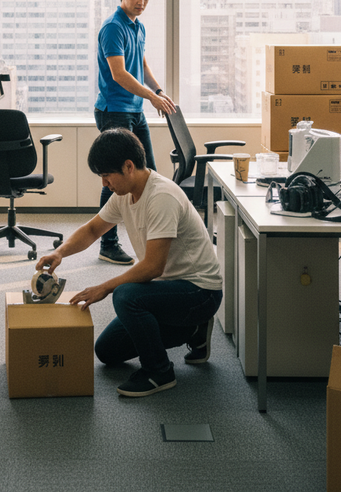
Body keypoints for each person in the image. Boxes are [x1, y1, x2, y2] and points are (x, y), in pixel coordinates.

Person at [36, 128, 223, 397]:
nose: (104, 183)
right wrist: (60, 253)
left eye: (106, 175)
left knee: (125, 295)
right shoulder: (123, 195)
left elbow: (152, 267)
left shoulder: (161, 197)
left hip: (199, 291)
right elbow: (91, 230)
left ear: (128, 166)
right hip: (167, 288)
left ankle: (160, 371)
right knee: (107, 352)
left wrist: (105, 287)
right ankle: (193, 328)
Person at [94, 0, 176, 266]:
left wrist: (158, 90)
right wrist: (150, 97)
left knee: (148, 172)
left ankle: (156, 234)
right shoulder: (113, 27)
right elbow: (119, 74)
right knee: (115, 177)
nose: (141, 2)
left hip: (133, 110)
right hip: (114, 110)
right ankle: (108, 242)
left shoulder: (137, 27)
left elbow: (140, 63)